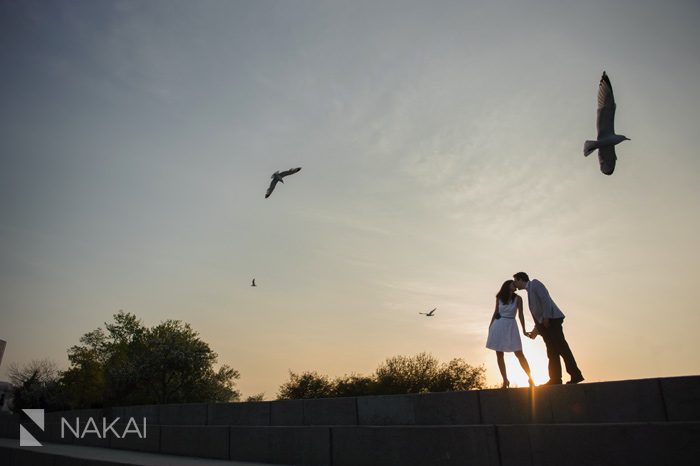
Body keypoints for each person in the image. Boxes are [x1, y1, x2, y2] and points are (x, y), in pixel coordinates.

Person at [513, 272, 584, 385]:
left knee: (562, 348)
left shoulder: (535, 284)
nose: (515, 284)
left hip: (552, 321)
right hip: (545, 325)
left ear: (521, 279)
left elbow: (545, 299)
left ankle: (575, 375)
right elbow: (538, 313)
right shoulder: (529, 291)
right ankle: (555, 379)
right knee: (552, 352)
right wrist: (535, 331)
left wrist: (546, 317)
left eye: (515, 281)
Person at [486, 280, 535, 388]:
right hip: (498, 325)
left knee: (519, 354)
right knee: (499, 354)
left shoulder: (518, 299)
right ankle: (505, 380)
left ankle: (530, 378)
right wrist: (490, 327)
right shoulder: (499, 297)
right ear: (508, 286)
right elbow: (496, 312)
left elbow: (521, 314)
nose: (515, 285)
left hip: (511, 325)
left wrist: (523, 329)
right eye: (513, 284)